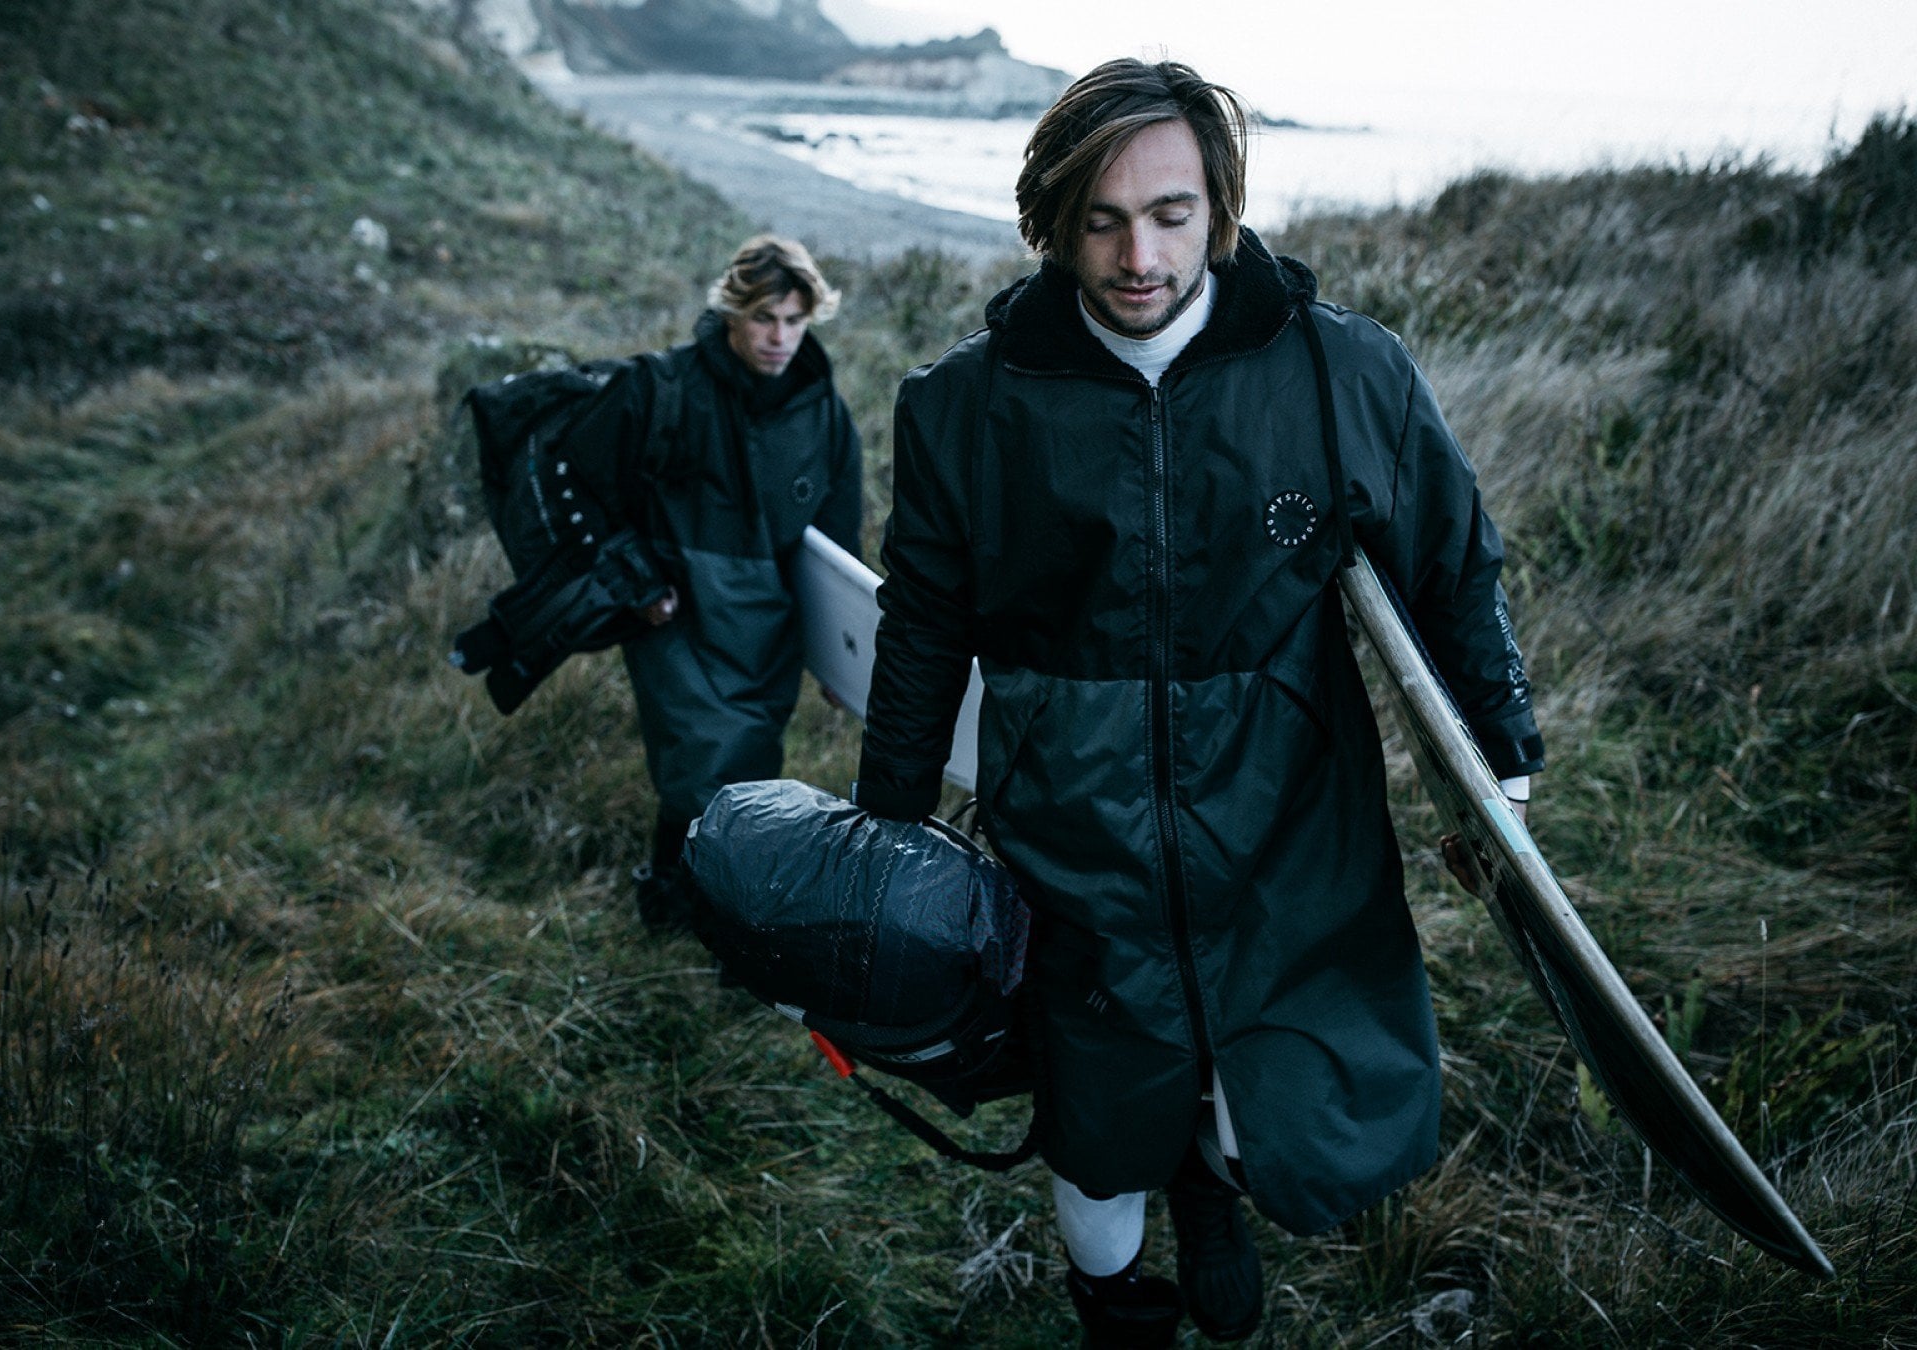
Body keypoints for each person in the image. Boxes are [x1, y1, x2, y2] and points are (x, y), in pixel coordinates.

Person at [851, 60, 1544, 1347]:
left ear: (1218, 207)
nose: (1139, 257)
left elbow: (1451, 567)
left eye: (1171, 215)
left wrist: (1500, 761)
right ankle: (1113, 1306)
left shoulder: (1338, 371)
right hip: (1075, 829)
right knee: (1096, 1122)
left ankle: (1208, 1184)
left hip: (1290, 818)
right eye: (1102, 221)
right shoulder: (963, 404)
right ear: (1052, 221)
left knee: (1276, 1097)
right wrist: (882, 834)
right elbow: (924, 625)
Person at [577, 235, 862, 933]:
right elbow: (591, 484)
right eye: (764, 318)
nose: (780, 338)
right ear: (733, 311)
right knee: (704, 767)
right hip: (679, 617)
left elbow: (837, 548)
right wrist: (637, 579)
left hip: (768, 634)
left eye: (794, 321)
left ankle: (694, 916)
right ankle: (688, 918)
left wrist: (840, 662)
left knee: (745, 773)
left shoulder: (825, 414)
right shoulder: (667, 387)